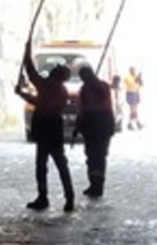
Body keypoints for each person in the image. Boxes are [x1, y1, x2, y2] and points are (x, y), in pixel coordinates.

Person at [14, 41, 75, 212]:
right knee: (61, 164)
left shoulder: (48, 85)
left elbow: (31, 73)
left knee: (42, 165)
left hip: (45, 127)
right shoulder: (61, 90)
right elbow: (40, 101)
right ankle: (69, 198)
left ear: (56, 75)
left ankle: (43, 197)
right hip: (54, 128)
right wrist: (22, 94)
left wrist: (27, 55)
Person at [73, 65, 115, 198]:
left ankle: (97, 185)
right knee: (95, 156)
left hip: (96, 123)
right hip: (98, 124)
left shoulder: (93, 88)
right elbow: (82, 109)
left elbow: (85, 109)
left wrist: (78, 125)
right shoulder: (95, 87)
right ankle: (95, 184)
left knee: (96, 156)